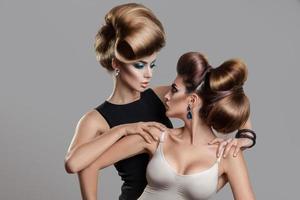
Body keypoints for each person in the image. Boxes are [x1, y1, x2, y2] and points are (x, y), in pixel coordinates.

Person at [64, 3, 256, 200]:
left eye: (152, 64)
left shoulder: (159, 96)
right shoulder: (97, 120)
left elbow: (217, 96)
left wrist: (246, 138)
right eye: (140, 65)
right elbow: (76, 164)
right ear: (116, 64)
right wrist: (122, 130)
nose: (149, 74)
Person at [85, 52, 256, 200]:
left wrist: (246, 138)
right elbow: (89, 163)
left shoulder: (226, 154)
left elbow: (234, 99)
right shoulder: (156, 135)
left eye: (174, 89)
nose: (166, 95)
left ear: (192, 100)